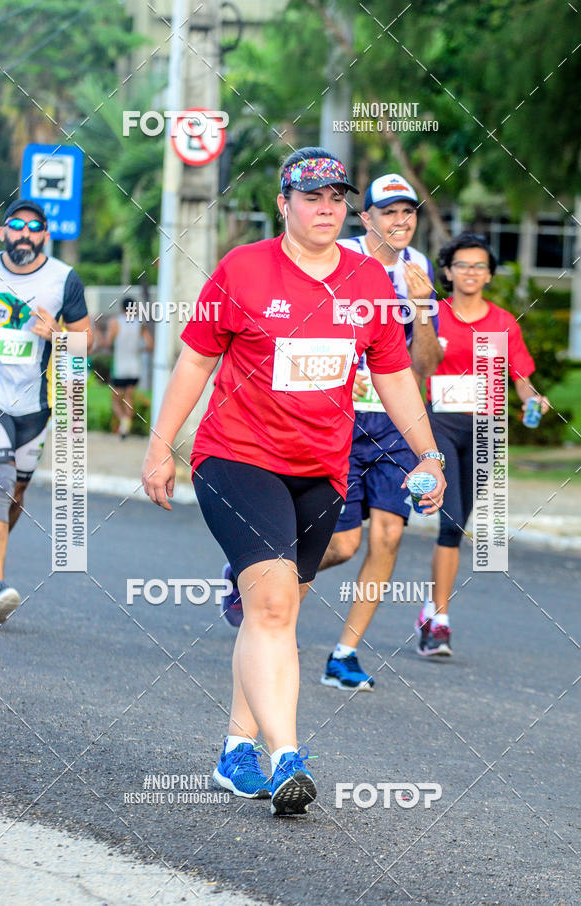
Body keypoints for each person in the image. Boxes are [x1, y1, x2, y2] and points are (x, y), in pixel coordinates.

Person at [142, 147, 446, 817]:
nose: (326, 208)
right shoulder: (243, 269)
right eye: (311, 197)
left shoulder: (369, 282)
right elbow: (195, 362)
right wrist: (161, 447)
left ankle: (235, 750)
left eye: (337, 198)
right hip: (237, 458)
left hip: (320, 472)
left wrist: (429, 455)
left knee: (273, 615)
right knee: (276, 609)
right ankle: (287, 759)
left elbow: (393, 374)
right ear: (284, 204)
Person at [316, 173, 444, 691]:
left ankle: (343, 655)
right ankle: (255, 578)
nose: (400, 220)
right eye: (388, 211)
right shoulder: (338, 257)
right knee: (343, 545)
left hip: (394, 423)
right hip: (340, 418)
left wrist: (423, 309)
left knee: (389, 534)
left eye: (407, 211)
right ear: (365, 217)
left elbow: (425, 366)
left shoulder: (419, 268)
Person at [415, 232, 549, 657]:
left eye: (479, 266)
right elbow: (414, 368)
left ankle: (430, 612)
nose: (470, 272)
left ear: (489, 274)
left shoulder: (503, 323)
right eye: (462, 265)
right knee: (450, 521)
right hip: (440, 424)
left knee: (458, 526)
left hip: (485, 431)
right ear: (448, 271)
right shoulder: (434, 315)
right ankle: (440, 622)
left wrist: (533, 400)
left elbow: (521, 379)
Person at [0, 199, 92, 623]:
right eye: (17, 225)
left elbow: (85, 344)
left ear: (45, 234)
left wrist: (58, 335)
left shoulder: (63, 279)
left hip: (35, 407)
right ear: (2, 232)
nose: (25, 234)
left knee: (16, 492)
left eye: (34, 227)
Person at [105, 297, 153, 437]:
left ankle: (124, 421)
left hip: (120, 367)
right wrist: (138, 349)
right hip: (135, 367)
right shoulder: (140, 323)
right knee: (129, 398)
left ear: (121, 308)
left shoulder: (115, 322)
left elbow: (108, 342)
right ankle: (126, 428)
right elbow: (150, 345)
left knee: (115, 400)